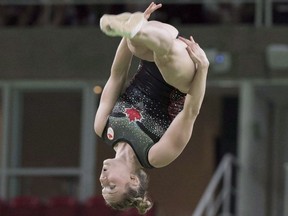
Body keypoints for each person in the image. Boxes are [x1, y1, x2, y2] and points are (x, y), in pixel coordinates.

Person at [94, 2, 209, 215]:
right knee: (165, 55)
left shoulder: (103, 127)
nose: (103, 180)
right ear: (133, 180)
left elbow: (117, 74)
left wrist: (127, 36)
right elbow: (190, 112)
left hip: (148, 57)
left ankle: (136, 28)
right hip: (181, 78)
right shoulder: (155, 155)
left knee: (137, 47)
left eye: (103, 186)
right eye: (111, 186)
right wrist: (203, 68)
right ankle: (138, 29)